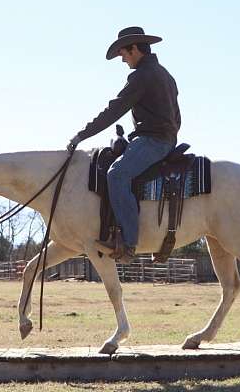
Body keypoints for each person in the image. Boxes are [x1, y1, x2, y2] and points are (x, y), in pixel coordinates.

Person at [67, 26, 181, 263]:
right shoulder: (164, 74)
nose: (122, 59)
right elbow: (176, 117)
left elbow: (115, 109)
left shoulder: (142, 75)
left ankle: (128, 244)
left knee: (117, 174)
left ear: (135, 49)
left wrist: (82, 135)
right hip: (164, 138)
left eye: (123, 54)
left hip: (154, 140)